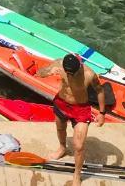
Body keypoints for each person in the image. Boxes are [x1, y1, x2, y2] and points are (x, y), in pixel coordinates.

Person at [37, 53, 105, 186]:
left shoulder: (89, 74)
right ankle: (62, 148)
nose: (69, 76)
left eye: (72, 73)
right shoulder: (59, 64)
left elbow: (100, 90)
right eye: (67, 73)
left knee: (79, 146)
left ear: (79, 66)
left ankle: (77, 175)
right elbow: (39, 73)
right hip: (61, 103)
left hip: (81, 109)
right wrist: (49, 71)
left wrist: (102, 113)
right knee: (60, 128)